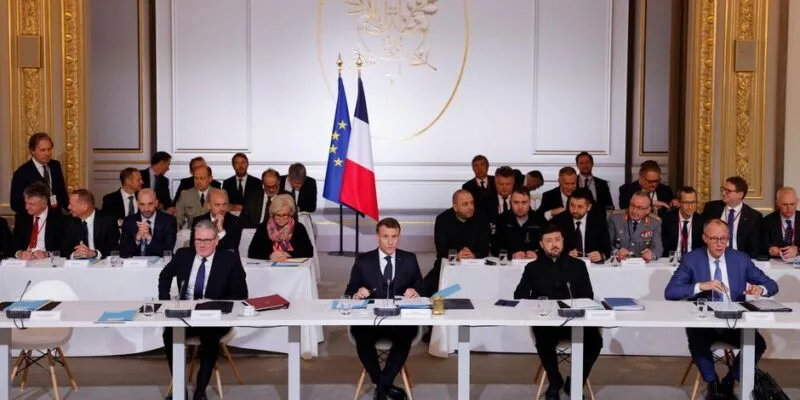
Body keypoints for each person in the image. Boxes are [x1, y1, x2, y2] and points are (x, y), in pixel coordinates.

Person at [664, 219, 778, 400]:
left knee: (758, 344)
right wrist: (701, 286)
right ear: (705, 238)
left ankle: (729, 381)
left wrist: (761, 289)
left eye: (723, 239)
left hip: (734, 321)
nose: (719, 244)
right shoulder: (692, 259)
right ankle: (713, 383)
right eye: (714, 239)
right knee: (697, 342)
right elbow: (670, 292)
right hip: (704, 322)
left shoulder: (740, 259)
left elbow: (772, 285)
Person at [158, 219, 248, 400]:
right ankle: (179, 389)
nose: (202, 244)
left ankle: (200, 390)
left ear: (216, 240)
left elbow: (241, 293)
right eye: (198, 240)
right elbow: (164, 276)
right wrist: (166, 301)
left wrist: (213, 302)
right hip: (185, 314)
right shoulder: (183, 255)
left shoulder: (229, 259)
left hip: (214, 316)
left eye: (207, 240)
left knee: (210, 336)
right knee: (169, 334)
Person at [513, 224, 602, 400]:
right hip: (546, 322)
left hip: (575, 321)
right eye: (549, 241)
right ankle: (555, 381)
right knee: (543, 339)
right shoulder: (532, 268)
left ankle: (575, 383)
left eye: (557, 240)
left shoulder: (578, 265)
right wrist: (539, 305)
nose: (554, 244)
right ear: (541, 244)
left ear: (563, 241)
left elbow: (588, 296)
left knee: (595, 341)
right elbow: (519, 296)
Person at [345, 218, 423, 400]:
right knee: (361, 337)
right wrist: (358, 293)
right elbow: (350, 290)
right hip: (370, 322)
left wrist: (415, 292)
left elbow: (420, 286)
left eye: (394, 237)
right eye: (385, 236)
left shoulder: (409, 259)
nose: (390, 241)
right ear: (377, 237)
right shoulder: (363, 261)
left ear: (399, 237)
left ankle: (381, 387)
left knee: (405, 337)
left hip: (400, 322)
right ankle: (384, 385)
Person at [421, 190, 489, 296]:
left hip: (474, 267)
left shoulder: (481, 218)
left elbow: (484, 248)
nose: (471, 207)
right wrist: (456, 255)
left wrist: (473, 255)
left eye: (472, 203)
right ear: (455, 207)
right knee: (422, 291)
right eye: (465, 204)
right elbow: (441, 249)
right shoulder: (442, 219)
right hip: (447, 266)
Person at [701, 176, 761, 258]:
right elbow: (703, 235)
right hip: (712, 257)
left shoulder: (753, 217)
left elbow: (754, 248)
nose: (723, 193)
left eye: (728, 191)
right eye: (723, 189)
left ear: (740, 194)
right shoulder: (711, 208)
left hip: (739, 258)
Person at [10, 132, 69, 214]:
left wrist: (70, 211)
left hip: (55, 216)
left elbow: (62, 192)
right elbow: (15, 204)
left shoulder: (55, 165)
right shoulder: (21, 173)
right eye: (42, 150)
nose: (47, 153)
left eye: (49, 149)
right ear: (32, 151)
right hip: (33, 218)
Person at [248, 194, 313, 261]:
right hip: (268, 266)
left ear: (290, 214)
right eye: (278, 215)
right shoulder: (263, 227)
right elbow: (252, 252)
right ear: (272, 214)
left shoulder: (299, 228)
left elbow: (308, 251)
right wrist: (270, 255)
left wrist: (287, 254)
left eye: (285, 215)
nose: (281, 219)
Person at [553, 188, 610, 263]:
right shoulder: (559, 220)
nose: (575, 210)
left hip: (592, 265)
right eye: (572, 205)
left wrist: (601, 255)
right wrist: (565, 255)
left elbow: (607, 249)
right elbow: (552, 248)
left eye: (580, 207)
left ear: (589, 207)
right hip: (567, 264)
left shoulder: (599, 221)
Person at [11, 182, 65, 259]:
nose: (26, 207)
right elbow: (14, 242)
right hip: (24, 261)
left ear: (44, 204)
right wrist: (19, 253)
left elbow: (64, 247)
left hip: (47, 261)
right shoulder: (22, 217)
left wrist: (47, 254)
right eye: (26, 203)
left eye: (31, 204)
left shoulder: (58, 219)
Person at [62, 189, 119, 259]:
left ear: (84, 207)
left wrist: (94, 253)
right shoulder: (69, 222)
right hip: (77, 264)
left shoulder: (107, 221)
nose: (68, 207)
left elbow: (113, 249)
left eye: (71, 204)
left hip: (101, 263)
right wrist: (75, 254)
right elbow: (65, 249)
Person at [119, 189, 177, 258]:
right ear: (137, 204)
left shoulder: (169, 221)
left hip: (159, 264)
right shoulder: (129, 221)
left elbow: (167, 252)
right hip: (135, 264)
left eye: (150, 204)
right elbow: (123, 253)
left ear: (156, 203)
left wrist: (150, 239)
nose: (146, 209)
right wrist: (137, 239)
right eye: (142, 204)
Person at [608, 191, 663, 263]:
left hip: (642, 265)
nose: (634, 211)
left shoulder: (655, 222)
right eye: (632, 205)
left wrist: (651, 255)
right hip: (619, 264)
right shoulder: (615, 218)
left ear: (648, 210)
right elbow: (607, 244)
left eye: (640, 208)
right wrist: (616, 252)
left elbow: (658, 248)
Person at [492, 188, 546, 259]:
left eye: (524, 202)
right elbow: (494, 248)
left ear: (530, 202)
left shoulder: (540, 220)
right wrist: (511, 255)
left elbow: (548, 245)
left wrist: (538, 255)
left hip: (534, 262)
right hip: (508, 263)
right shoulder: (501, 220)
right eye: (516, 202)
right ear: (510, 202)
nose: (520, 207)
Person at [190, 189, 243, 253]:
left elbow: (231, 248)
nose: (222, 209)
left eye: (224, 204)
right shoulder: (198, 221)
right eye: (217, 205)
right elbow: (194, 247)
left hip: (226, 258)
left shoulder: (235, 221)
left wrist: (221, 229)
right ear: (209, 205)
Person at [662, 187, 704, 257]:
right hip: (671, 259)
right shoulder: (668, 219)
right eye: (686, 202)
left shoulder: (701, 221)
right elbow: (663, 245)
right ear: (679, 203)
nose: (690, 207)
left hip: (693, 259)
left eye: (693, 202)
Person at [762, 187, 800, 259]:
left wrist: (797, 250)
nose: (789, 208)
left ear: (797, 202)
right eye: (785, 204)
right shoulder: (767, 221)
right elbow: (761, 245)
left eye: (792, 204)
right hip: (776, 261)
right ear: (777, 203)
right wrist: (770, 249)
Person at [479, 166, 516, 232]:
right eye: (501, 184)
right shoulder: (485, 200)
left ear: (513, 183)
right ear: (495, 183)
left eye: (508, 184)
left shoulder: (521, 199)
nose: (504, 187)